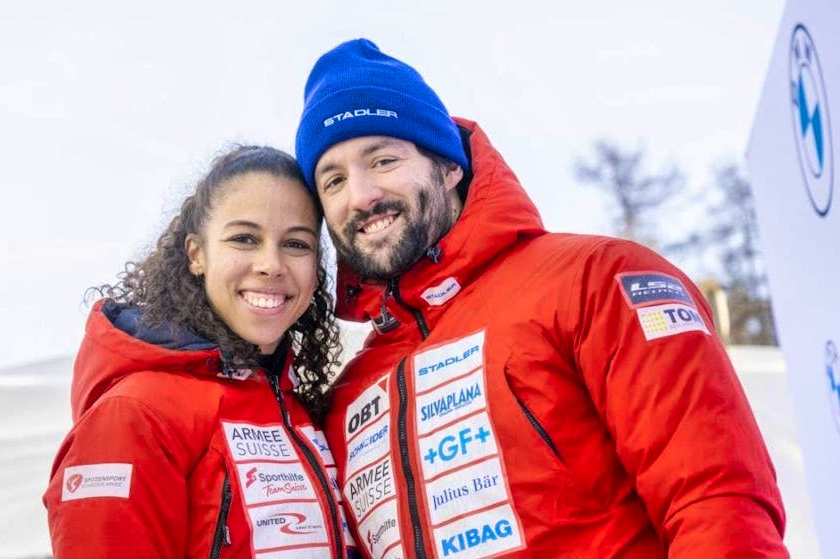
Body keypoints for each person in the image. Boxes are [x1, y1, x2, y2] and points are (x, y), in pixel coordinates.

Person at [294, 39, 788, 558]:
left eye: (384, 159)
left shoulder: (599, 281)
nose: (361, 194)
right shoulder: (348, 396)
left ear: (449, 166)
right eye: (333, 180)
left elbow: (717, 503)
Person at [43, 145, 359, 558]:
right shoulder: (135, 413)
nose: (271, 264)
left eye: (297, 244)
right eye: (244, 239)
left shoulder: (299, 409)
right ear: (197, 254)